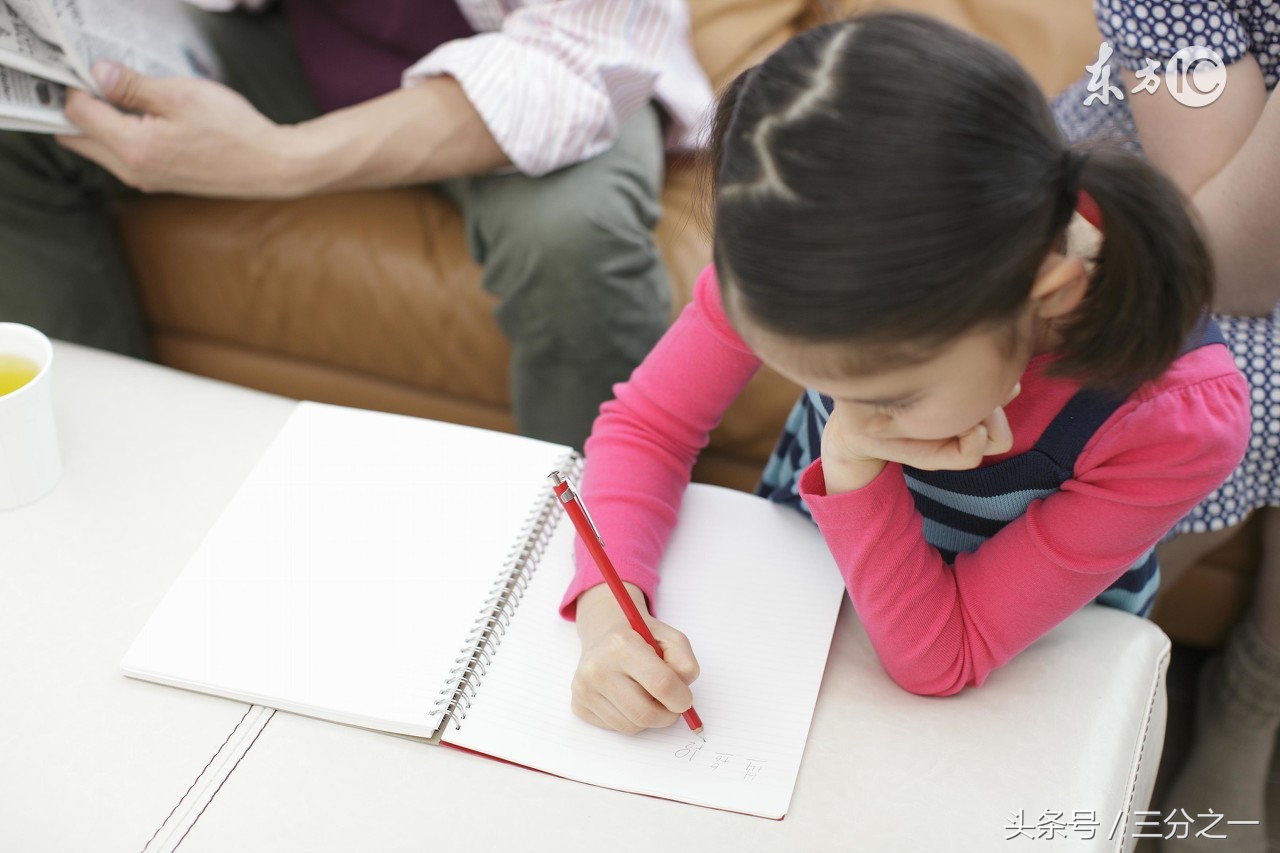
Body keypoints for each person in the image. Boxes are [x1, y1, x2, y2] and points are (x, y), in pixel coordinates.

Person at [560, 10, 1251, 757]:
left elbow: (943, 656)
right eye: (817, 383)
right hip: (808, 592)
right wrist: (610, 615)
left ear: (1049, 294)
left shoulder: (1173, 419)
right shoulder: (797, 260)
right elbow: (647, 425)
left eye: (886, 398)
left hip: (1013, 687)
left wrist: (854, 462)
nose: (847, 410)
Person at [0, 0, 713, 450]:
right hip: (301, 33)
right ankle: (84, 454)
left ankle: (591, 552)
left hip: (539, 57)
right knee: (26, 130)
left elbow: (584, 56)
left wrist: (275, 159)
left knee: (571, 239)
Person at [1053, 3, 1280, 849]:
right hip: (1190, 224)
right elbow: (1231, 265)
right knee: (1222, 388)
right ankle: (1085, 669)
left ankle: (1251, 702)